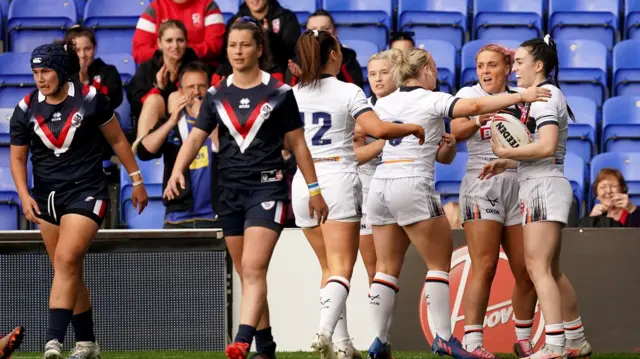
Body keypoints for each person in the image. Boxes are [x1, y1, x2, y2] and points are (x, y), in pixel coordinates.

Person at [365, 47, 551, 359]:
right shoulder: (431, 98)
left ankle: (379, 341)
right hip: (413, 182)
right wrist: (521, 97)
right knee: (438, 263)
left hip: (380, 185)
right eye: (434, 68)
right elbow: (475, 104)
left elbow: (365, 130)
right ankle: (444, 338)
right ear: (425, 70)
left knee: (385, 269)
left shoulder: (383, 101)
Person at [163, 20, 328, 359]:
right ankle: (266, 348)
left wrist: (314, 190)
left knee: (253, 269)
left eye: (245, 45)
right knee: (247, 272)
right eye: (232, 46)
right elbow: (195, 137)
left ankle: (241, 341)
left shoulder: (280, 93)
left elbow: (298, 145)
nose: (238, 51)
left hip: (268, 190)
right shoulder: (215, 94)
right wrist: (177, 170)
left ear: (259, 49)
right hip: (230, 192)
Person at [9, 41, 148, 359]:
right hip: (47, 197)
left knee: (66, 260)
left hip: (87, 190)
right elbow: (17, 160)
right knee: (68, 269)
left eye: (46, 71)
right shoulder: (24, 108)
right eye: (35, 72)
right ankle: (87, 343)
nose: (40, 78)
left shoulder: (89, 99)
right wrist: (23, 195)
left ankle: (52, 341)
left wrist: (137, 180)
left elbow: (116, 139)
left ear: (60, 70)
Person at [291, 32, 424, 359]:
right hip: (337, 178)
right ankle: (323, 331)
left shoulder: (292, 93)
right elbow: (378, 129)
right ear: (334, 55)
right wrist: (412, 128)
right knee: (341, 269)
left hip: (303, 185)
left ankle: (343, 344)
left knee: (327, 269)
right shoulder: (348, 90)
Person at [480, 35, 592, 359]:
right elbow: (546, 151)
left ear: (538, 65)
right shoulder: (544, 97)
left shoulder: (543, 98)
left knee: (537, 268)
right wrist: (507, 161)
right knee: (551, 271)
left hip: (543, 187)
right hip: (542, 182)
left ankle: (554, 344)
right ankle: (577, 340)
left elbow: (545, 146)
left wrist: (505, 149)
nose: (514, 68)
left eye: (519, 62)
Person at [449, 44, 537, 358]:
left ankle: (523, 339)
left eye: (492, 65)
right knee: (484, 266)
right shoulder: (468, 94)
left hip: (518, 181)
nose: (486, 72)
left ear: (506, 67)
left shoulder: (522, 96)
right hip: (481, 182)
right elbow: (454, 130)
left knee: (526, 270)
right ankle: (473, 343)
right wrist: (478, 116)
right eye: (481, 66)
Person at [137, 61, 219, 229]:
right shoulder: (173, 123)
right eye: (191, 87)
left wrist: (205, 120)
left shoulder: (221, 121)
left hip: (215, 216)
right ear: (180, 91)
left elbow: (225, 150)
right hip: (178, 217)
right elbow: (143, 152)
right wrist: (170, 122)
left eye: (202, 87)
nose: (197, 92)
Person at [65, 25, 125, 179]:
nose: (83, 55)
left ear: (95, 48)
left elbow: (114, 99)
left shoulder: (108, 71)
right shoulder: (61, 74)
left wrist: (85, 83)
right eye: (77, 50)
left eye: (87, 49)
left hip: (98, 136)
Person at [129, 20, 202, 142]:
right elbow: (135, 105)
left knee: (176, 97)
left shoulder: (196, 67)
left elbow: (203, 96)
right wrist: (158, 89)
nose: (175, 46)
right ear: (159, 43)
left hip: (188, 123)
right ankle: (143, 150)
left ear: (186, 42)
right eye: (169, 41)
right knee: (153, 99)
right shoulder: (147, 68)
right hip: (155, 124)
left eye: (180, 40)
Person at [285, 10, 363, 89]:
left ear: (335, 31)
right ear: (305, 33)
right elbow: (289, 98)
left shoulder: (348, 59)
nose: (319, 33)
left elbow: (355, 91)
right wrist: (301, 78)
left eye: (325, 29)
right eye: (312, 30)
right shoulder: (296, 64)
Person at [132, 0, 225, 65]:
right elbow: (139, 53)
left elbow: (215, 46)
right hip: (161, 71)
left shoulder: (208, 5)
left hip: (201, 72)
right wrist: (169, 53)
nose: (175, 46)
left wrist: (182, 52)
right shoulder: (154, 9)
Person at [227, 0, 301, 69]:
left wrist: (269, 36)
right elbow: (226, 57)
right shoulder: (234, 22)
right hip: (246, 74)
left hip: (280, 74)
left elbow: (292, 54)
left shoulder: (287, 17)